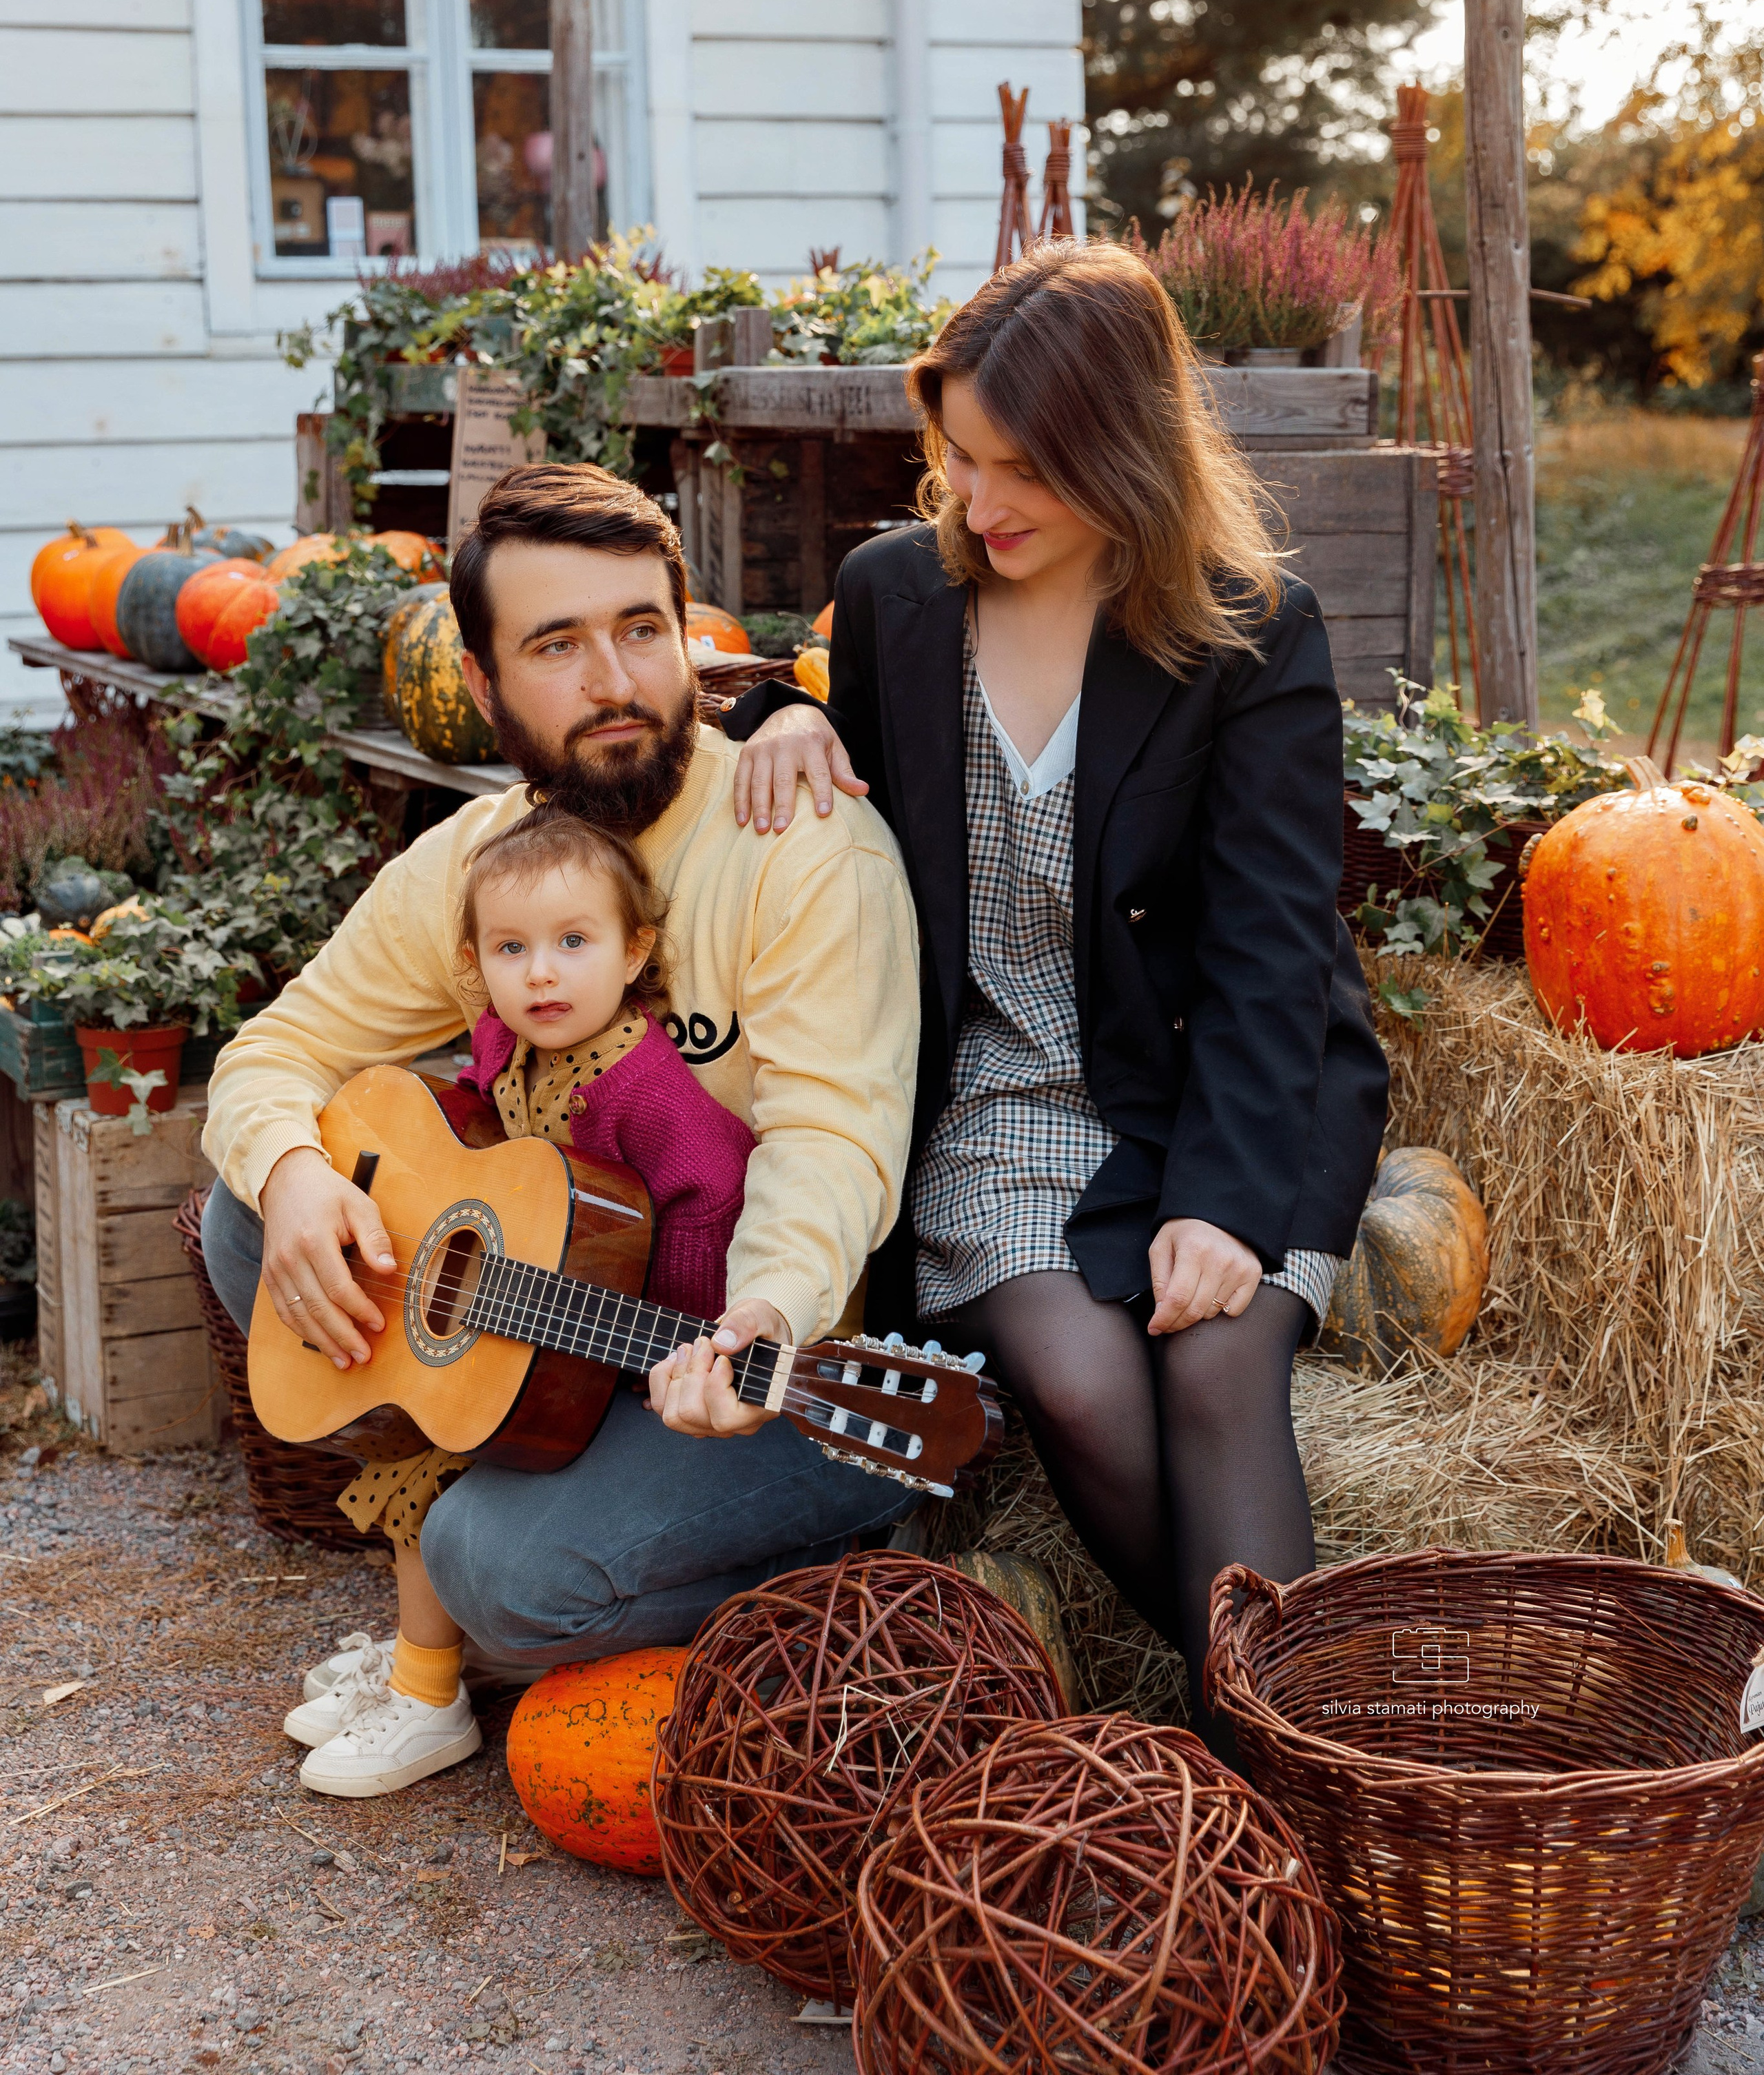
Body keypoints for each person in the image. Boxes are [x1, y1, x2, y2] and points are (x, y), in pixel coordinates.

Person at [726, 239, 1389, 1757]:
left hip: (1223, 1079)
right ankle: (1328, 1763)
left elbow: (1273, 949)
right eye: (955, 458)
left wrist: (1222, 1204)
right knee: (1084, 1391)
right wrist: (771, 711)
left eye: (1020, 468)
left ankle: (1294, 1797)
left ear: (1122, 456)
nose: (979, 502)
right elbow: (825, 726)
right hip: (1007, 1095)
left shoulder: (1244, 630)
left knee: (1217, 1366)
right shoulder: (894, 599)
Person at [201, 464, 923, 1792]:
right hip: (553, 1335)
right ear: (480, 686)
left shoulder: (799, 843)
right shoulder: (484, 862)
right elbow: (273, 1053)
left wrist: (765, 1318)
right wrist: (299, 1172)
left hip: (769, 1365)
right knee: (255, 1214)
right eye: (556, 644)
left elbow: (836, 1139)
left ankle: (867, 1574)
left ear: (685, 630)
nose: (616, 680)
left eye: (641, 628)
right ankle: (476, 1577)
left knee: (502, 1573)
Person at [286, 803, 756, 1798]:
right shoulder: (510, 1042)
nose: (542, 973)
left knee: (448, 1462)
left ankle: (428, 1698)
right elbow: (484, 1121)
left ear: (635, 952)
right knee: (424, 1437)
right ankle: (428, 1669)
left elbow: (712, 1194)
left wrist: (649, 1327)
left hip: (634, 1355)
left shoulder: (648, 1089)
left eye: (573, 943)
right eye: (512, 949)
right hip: (526, 1320)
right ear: (476, 962)